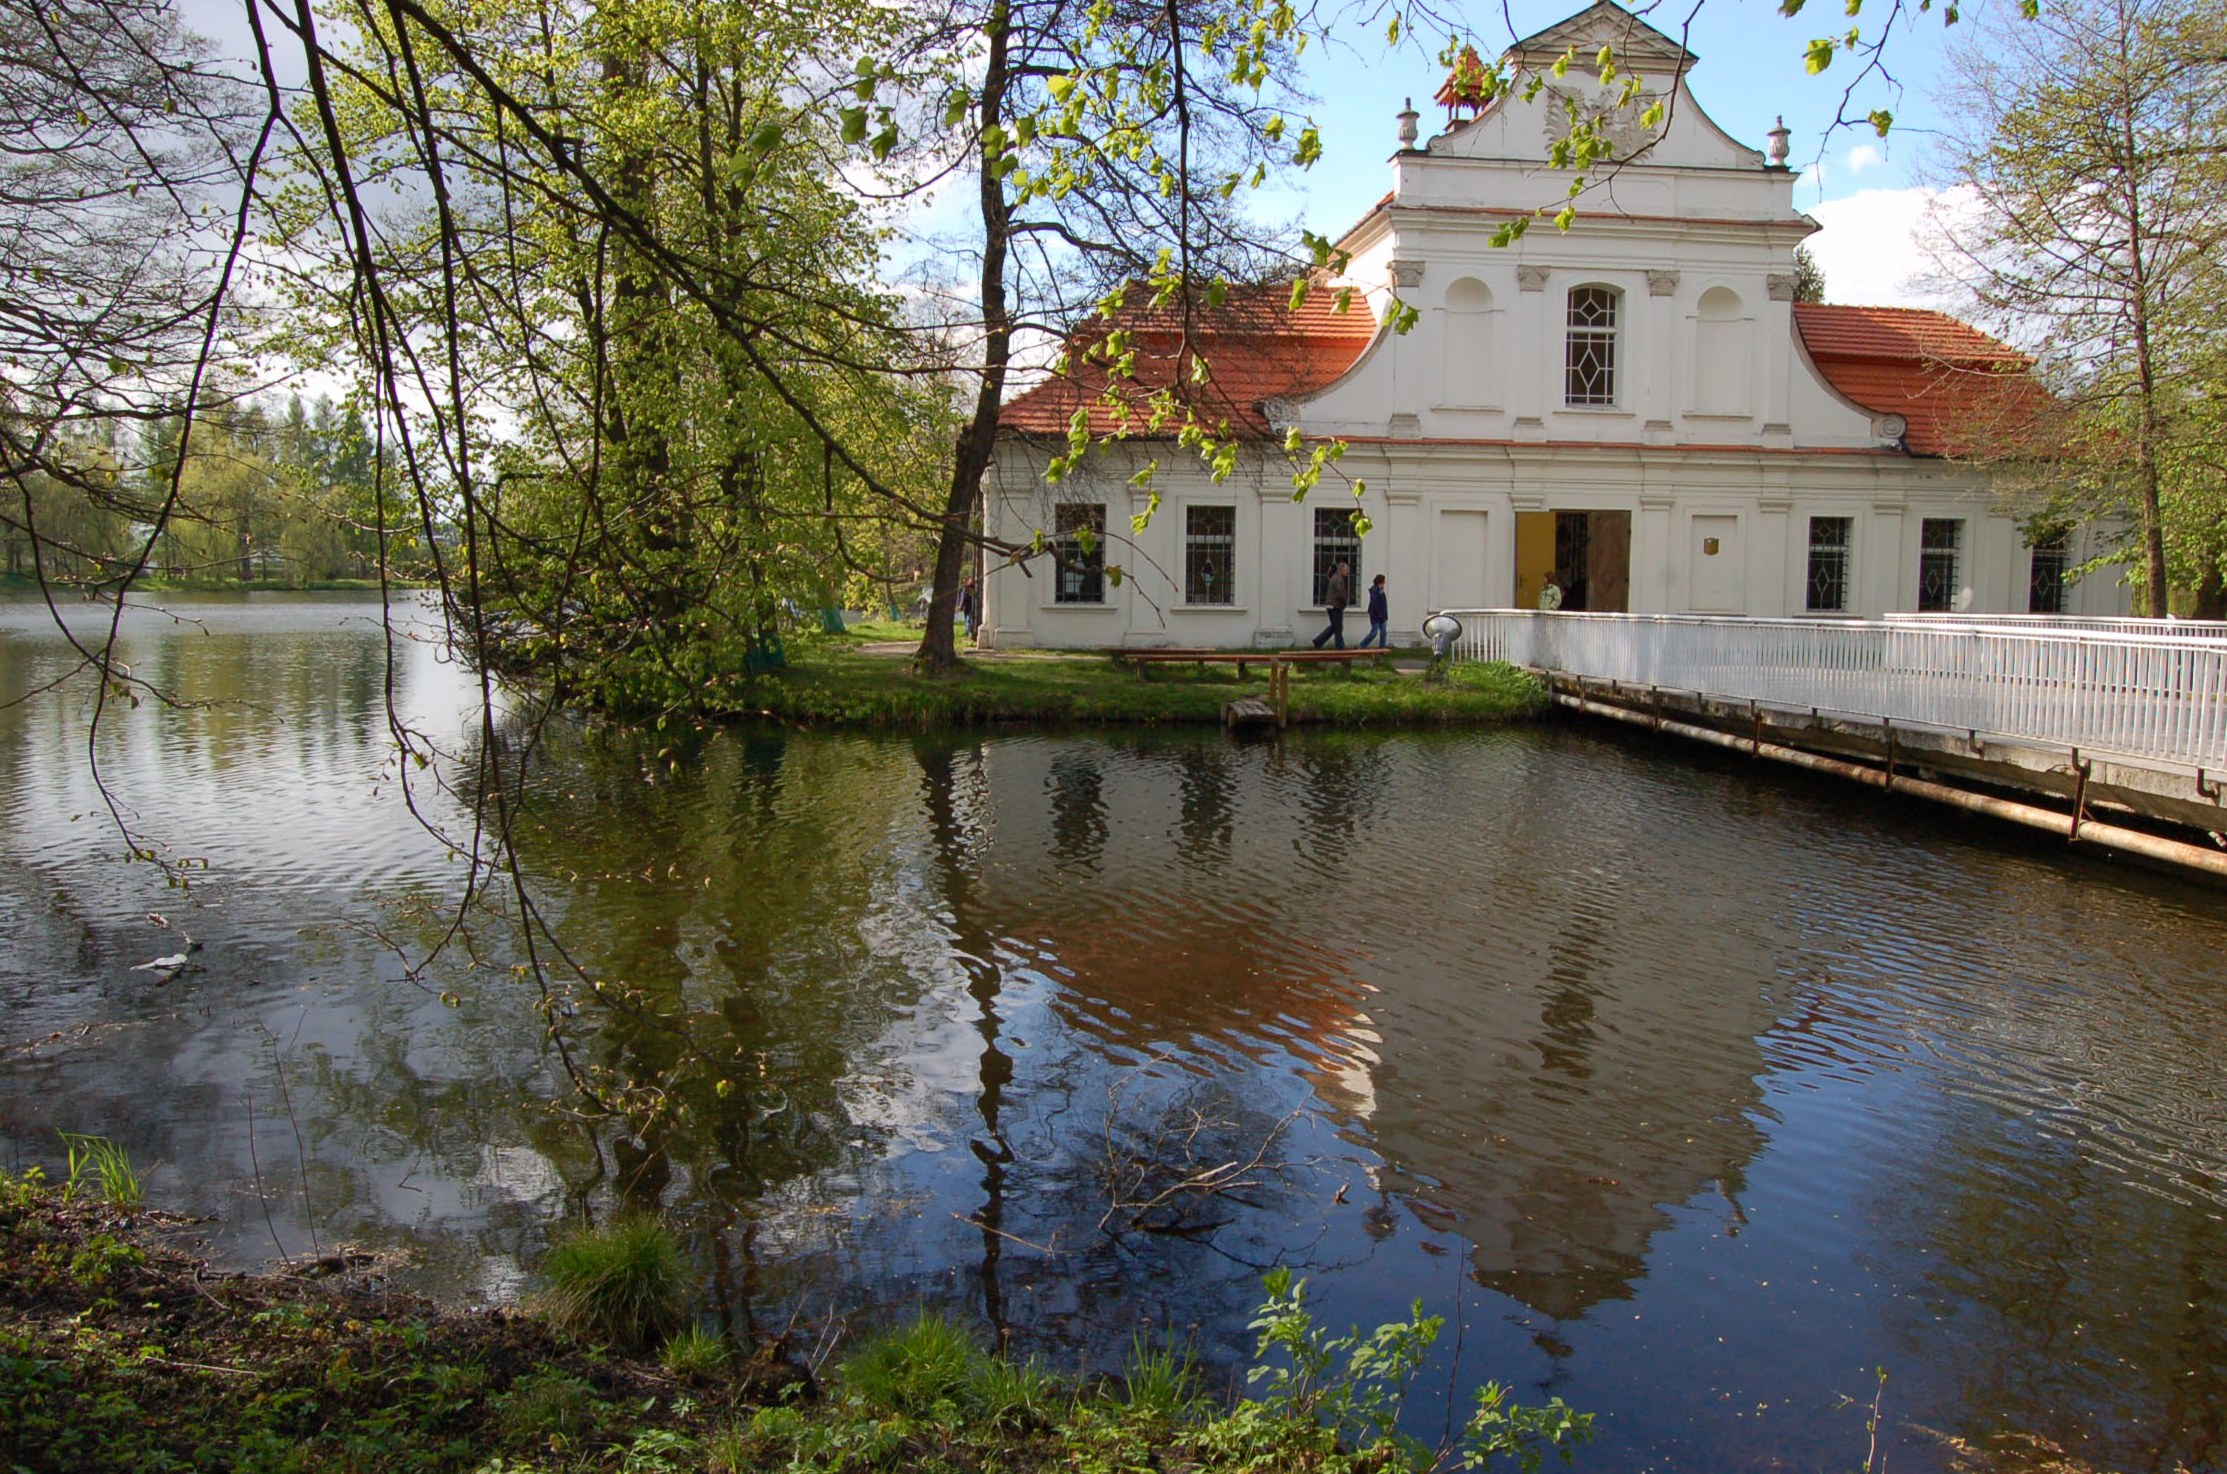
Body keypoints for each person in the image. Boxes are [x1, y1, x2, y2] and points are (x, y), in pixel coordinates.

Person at [1311, 561, 1350, 649]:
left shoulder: (1334, 577)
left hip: (1330, 605)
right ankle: (1339, 647)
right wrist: (1344, 603)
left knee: (1334, 627)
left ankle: (1318, 641)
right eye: (1346, 570)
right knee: (1338, 627)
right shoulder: (1339, 579)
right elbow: (1340, 594)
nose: (1347, 572)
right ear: (1341, 570)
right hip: (1336, 606)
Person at [1358, 574, 1389, 648]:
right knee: (1374, 632)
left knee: (1383, 632)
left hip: (1382, 615)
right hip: (1376, 615)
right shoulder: (1375, 591)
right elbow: (1375, 603)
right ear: (1381, 582)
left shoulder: (1380, 590)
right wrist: (1379, 613)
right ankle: (1362, 645)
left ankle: (1382, 648)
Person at [958, 576, 980, 643]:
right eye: (964, 581)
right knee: (967, 620)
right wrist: (960, 606)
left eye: (966, 581)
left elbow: (970, 596)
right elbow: (961, 598)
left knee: (968, 620)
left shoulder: (970, 589)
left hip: (970, 607)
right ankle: (969, 631)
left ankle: (968, 632)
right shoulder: (963, 589)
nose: (965, 582)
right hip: (966, 607)